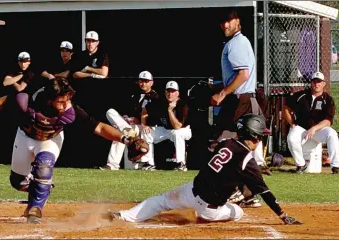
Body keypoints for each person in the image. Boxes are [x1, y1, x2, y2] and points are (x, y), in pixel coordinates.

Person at [0, 77, 138, 224]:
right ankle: (42, 187)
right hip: (25, 137)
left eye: (67, 100)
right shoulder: (30, 100)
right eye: (60, 101)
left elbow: (99, 128)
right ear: (50, 99)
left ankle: (35, 209)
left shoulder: (72, 111)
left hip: (50, 140)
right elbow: (3, 101)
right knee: (17, 182)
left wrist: (126, 139)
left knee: (44, 166)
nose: (65, 105)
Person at [109, 114, 302, 226]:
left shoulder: (226, 143)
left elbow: (223, 167)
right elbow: (264, 191)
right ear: (253, 136)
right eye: (259, 137)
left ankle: (124, 216)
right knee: (238, 212)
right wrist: (282, 215)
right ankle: (204, 217)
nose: (260, 140)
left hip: (190, 190)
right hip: (209, 208)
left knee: (161, 201)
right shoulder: (248, 160)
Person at [209, 8, 265, 206]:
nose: (225, 25)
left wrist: (223, 93)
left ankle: (237, 191)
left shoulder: (236, 43)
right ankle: (247, 194)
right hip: (241, 99)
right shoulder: (238, 42)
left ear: (237, 22)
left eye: (229, 21)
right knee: (234, 147)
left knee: (226, 145)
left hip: (240, 101)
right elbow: (237, 76)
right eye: (223, 22)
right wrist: (218, 87)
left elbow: (243, 75)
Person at [100, 70, 159, 171]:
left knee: (120, 133)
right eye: (141, 81)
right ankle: (112, 165)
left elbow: (154, 116)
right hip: (130, 126)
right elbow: (126, 110)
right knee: (110, 112)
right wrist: (125, 118)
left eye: (146, 81)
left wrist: (140, 121)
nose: (143, 83)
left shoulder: (155, 97)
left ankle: (113, 163)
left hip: (144, 127)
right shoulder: (134, 94)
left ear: (151, 82)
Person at [283, 71, 339, 174]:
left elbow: (328, 121)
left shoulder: (328, 99)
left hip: (319, 130)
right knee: (291, 138)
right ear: (311, 83)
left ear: (324, 83)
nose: (316, 84)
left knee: (332, 134)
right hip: (301, 128)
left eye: (319, 82)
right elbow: (286, 107)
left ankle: (335, 166)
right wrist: (291, 123)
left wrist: (314, 129)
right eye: (314, 81)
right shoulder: (302, 95)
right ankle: (300, 164)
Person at [140, 81, 192, 171]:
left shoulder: (183, 105)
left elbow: (178, 126)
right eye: (168, 91)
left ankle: (181, 164)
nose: (170, 94)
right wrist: (144, 125)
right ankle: (148, 163)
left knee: (177, 133)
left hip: (184, 130)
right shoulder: (160, 102)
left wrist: (170, 110)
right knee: (146, 132)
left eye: (173, 91)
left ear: (177, 93)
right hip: (166, 129)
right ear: (165, 92)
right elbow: (145, 110)